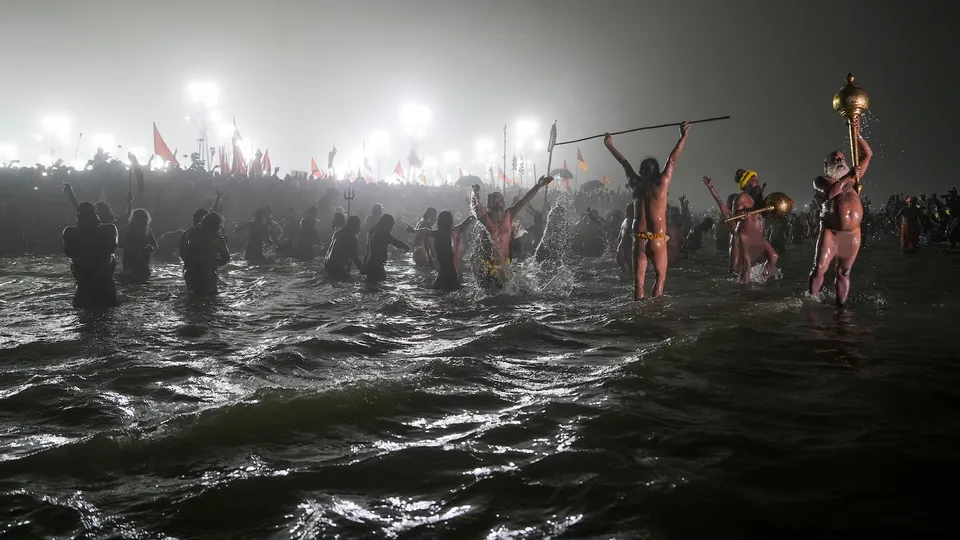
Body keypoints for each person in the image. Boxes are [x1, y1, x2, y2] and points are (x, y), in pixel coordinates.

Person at [604, 121, 690, 299]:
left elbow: (624, 163)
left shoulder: (635, 183)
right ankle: (654, 319)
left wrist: (609, 145)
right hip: (657, 240)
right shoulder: (661, 183)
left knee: (638, 285)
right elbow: (672, 160)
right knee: (660, 279)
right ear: (657, 170)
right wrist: (683, 137)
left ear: (641, 171)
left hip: (638, 240)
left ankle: (638, 318)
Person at [808, 119, 873, 306]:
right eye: (836, 159)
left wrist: (857, 133)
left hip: (852, 233)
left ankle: (841, 307)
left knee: (844, 272)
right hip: (832, 231)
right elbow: (831, 193)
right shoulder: (821, 180)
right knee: (819, 268)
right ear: (827, 163)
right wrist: (848, 176)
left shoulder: (853, 180)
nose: (840, 160)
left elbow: (868, 154)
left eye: (842, 158)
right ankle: (811, 301)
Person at [471, 176, 551, 290]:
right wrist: (475, 193)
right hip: (487, 264)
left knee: (509, 292)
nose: (497, 202)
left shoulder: (509, 215)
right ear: (489, 205)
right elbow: (476, 206)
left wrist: (539, 185)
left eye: (499, 200)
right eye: (494, 200)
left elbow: (524, 200)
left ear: (504, 202)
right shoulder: (485, 217)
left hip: (503, 264)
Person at [62, 202, 118, 308]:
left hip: (93, 282)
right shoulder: (108, 230)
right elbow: (69, 252)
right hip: (93, 282)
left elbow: (111, 248)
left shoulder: (108, 229)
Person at [729, 169, 779, 282]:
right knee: (746, 267)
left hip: (757, 236)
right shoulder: (742, 197)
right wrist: (742, 214)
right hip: (745, 235)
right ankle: (744, 292)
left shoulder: (758, 200)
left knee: (774, 257)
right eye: (753, 181)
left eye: (757, 181)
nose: (757, 184)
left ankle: (762, 279)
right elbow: (735, 216)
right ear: (746, 184)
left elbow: (767, 216)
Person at [408, 211, 475, 291]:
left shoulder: (439, 233)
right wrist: (472, 215)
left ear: (439, 221)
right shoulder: (452, 231)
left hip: (444, 273)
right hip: (450, 272)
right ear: (450, 222)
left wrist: (413, 230)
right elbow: (463, 224)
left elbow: (425, 231)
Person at [182, 212, 230, 295]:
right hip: (208, 274)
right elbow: (226, 257)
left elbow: (187, 254)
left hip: (191, 272)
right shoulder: (216, 238)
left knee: (192, 299)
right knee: (210, 301)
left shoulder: (194, 234)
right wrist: (215, 262)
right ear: (217, 224)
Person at [364, 214, 409, 282]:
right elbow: (394, 241)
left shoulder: (375, 230)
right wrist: (405, 246)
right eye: (392, 224)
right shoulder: (383, 232)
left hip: (371, 263)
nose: (392, 227)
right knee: (380, 285)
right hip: (376, 265)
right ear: (388, 224)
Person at [117, 208, 157, 285]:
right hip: (130, 262)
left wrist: (151, 248)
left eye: (144, 219)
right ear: (134, 219)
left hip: (144, 263)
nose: (142, 222)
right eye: (140, 219)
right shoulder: (126, 230)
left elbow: (155, 245)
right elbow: (119, 245)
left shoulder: (148, 230)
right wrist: (131, 246)